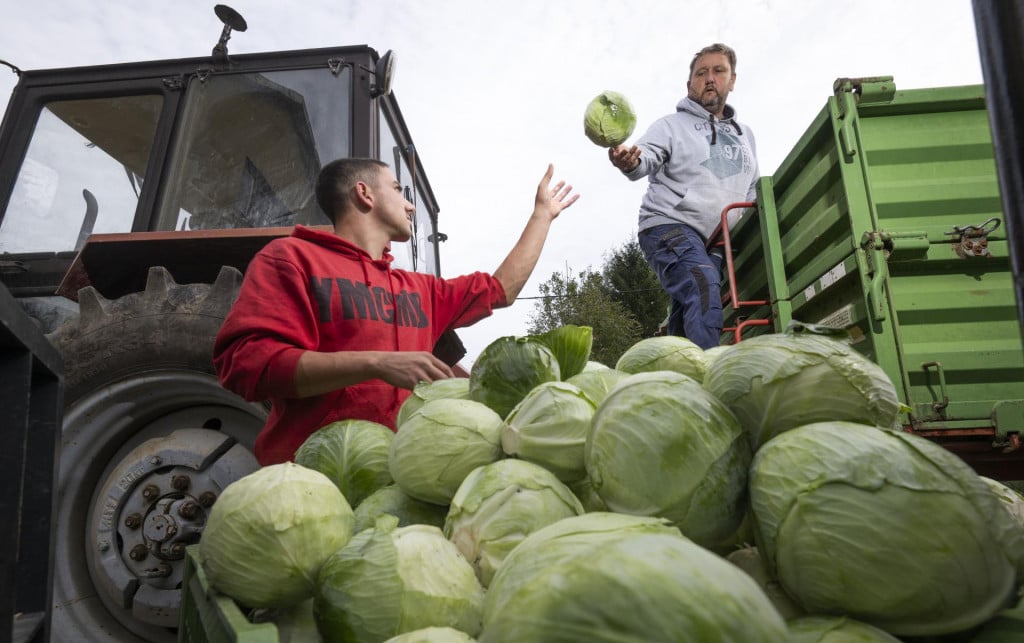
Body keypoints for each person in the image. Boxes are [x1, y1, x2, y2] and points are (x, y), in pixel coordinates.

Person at [213, 159, 578, 465]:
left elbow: (501, 290)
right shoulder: (290, 258)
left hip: (398, 477)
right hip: (312, 477)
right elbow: (247, 365)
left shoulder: (419, 288)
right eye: (399, 189)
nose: (410, 205)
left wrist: (542, 217)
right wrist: (375, 363)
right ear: (364, 193)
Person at [608, 43, 758, 349]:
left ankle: (674, 380)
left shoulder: (746, 135)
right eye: (701, 73)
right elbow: (644, 158)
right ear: (689, 85)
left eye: (719, 71)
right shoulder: (670, 126)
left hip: (717, 240)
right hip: (669, 225)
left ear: (732, 81)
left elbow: (753, 190)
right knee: (702, 284)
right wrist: (631, 161)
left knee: (685, 317)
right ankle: (708, 380)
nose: (710, 78)